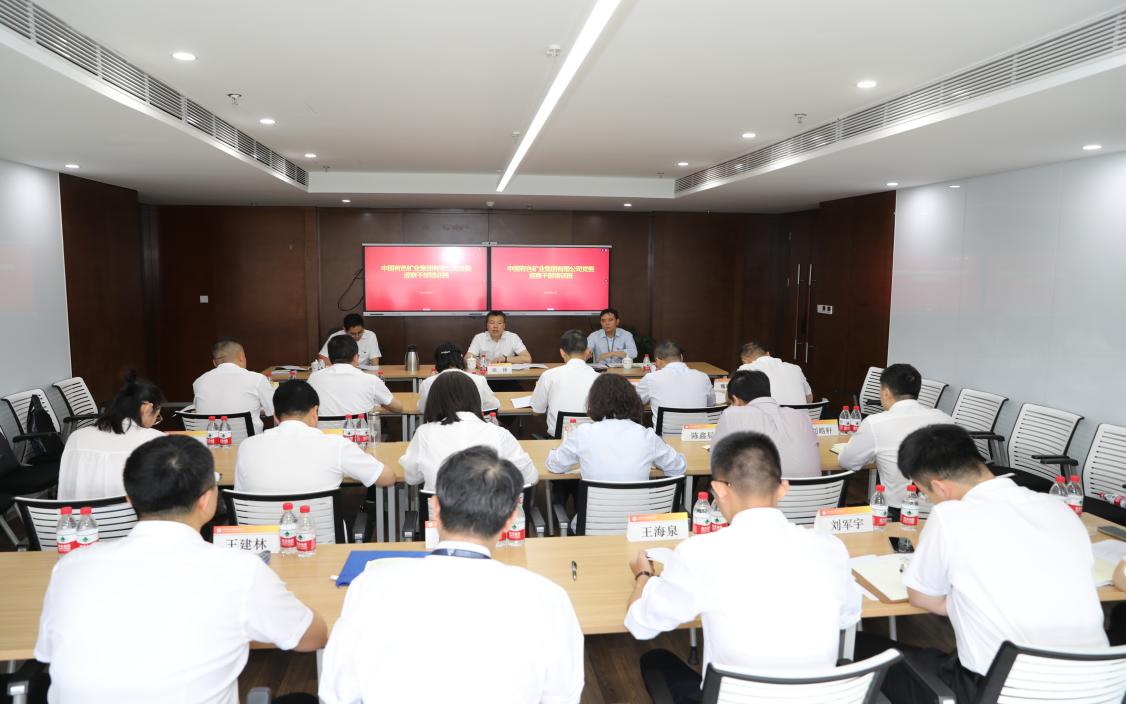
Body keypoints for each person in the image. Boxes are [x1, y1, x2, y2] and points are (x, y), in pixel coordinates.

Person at [36, 435, 328, 704]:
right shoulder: (239, 570)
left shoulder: (71, 568)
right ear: (207, 499)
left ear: (129, 499)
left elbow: (48, 653)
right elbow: (312, 638)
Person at [855, 424, 1108, 703]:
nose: (930, 500)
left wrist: (962, 601)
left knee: (862, 648)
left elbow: (922, 597)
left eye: (926, 494)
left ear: (939, 487)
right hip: (1099, 685)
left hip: (1002, 690)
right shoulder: (1058, 508)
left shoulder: (951, 516)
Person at [319, 446, 584, 703]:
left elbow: (337, 693)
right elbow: (562, 696)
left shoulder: (370, 585)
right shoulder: (548, 598)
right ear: (511, 519)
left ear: (435, 508)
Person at [625, 432, 862, 703]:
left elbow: (640, 625)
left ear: (719, 490)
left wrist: (643, 575)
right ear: (783, 488)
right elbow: (849, 616)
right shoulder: (830, 547)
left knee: (655, 659)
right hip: (817, 698)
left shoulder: (698, 553)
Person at [837, 363, 955, 517]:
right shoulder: (945, 419)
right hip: (943, 511)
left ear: (886, 393)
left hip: (898, 514)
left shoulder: (875, 423)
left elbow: (847, 461)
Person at [235, 380, 394, 493]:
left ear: (275, 417)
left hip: (261, 531)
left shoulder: (247, 447)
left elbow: (239, 494)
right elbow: (388, 478)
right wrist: (367, 458)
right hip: (319, 532)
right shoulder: (337, 445)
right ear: (315, 412)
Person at [400, 372, 536, 492]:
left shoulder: (424, 433)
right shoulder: (499, 434)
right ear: (475, 399)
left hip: (441, 513)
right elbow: (531, 477)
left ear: (434, 402)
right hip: (490, 512)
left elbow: (411, 478)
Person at [547, 373, 685, 482]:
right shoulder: (646, 436)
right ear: (633, 400)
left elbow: (554, 465)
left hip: (596, 511)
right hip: (637, 510)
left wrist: (556, 451)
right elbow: (678, 467)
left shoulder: (583, 433)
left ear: (594, 402)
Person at [57, 375, 165, 500]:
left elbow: (66, 492)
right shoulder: (156, 440)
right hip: (129, 512)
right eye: (156, 417)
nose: (154, 422)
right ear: (147, 409)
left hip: (81, 512)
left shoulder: (76, 438)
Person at [712, 370, 820, 478]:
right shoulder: (801, 416)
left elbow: (716, 462)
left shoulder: (732, 414)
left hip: (759, 488)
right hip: (813, 489)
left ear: (736, 400)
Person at [192, 336, 274, 435]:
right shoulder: (257, 379)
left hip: (210, 442)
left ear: (214, 363)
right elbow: (274, 410)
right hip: (247, 442)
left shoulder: (199, 382)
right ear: (241, 356)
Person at [307, 335, 402, 418]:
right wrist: (380, 401)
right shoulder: (371, 380)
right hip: (358, 433)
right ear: (356, 357)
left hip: (323, 432)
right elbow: (398, 408)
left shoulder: (314, 378)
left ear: (330, 358)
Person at [531, 329, 599, 437]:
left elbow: (536, 411)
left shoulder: (548, 376)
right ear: (587, 351)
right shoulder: (600, 379)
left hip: (559, 441)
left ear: (562, 352)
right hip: (590, 441)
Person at [635, 340, 715, 432]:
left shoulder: (651, 378)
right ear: (681, 357)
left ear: (658, 361)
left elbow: (636, 401)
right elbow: (711, 404)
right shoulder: (703, 377)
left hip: (665, 437)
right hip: (698, 435)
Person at [417, 341, 499, 416]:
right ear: (461, 358)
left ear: (437, 361)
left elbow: (423, 409)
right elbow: (493, 405)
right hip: (471, 426)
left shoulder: (427, 383)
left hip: (439, 426)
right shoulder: (479, 379)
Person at [737, 341, 813, 404]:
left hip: (768, 417)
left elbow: (734, 400)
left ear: (745, 360)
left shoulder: (746, 369)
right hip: (800, 417)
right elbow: (809, 398)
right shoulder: (796, 368)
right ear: (768, 354)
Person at [465, 310, 531, 364]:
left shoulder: (513, 337)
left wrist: (505, 359)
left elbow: (527, 359)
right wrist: (477, 362)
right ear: (487, 326)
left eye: (499, 323)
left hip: (508, 374)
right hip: (485, 374)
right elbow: (467, 358)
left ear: (504, 326)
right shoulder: (479, 338)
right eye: (492, 323)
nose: (495, 326)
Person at [317, 313, 381, 366]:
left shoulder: (370, 335)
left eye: (360, 332)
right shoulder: (336, 337)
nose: (357, 336)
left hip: (363, 372)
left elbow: (375, 361)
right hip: (341, 372)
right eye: (353, 334)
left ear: (363, 328)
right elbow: (322, 357)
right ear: (345, 330)